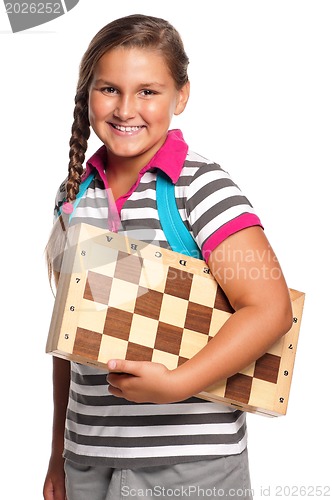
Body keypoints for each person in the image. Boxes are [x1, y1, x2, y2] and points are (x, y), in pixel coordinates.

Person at [43, 13, 293, 500]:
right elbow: (68, 335)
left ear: (181, 96)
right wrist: (59, 456)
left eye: (148, 91)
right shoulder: (74, 195)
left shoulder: (199, 187)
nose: (126, 108)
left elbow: (271, 309)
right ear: (87, 93)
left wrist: (178, 384)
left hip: (190, 467)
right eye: (109, 89)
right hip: (88, 458)